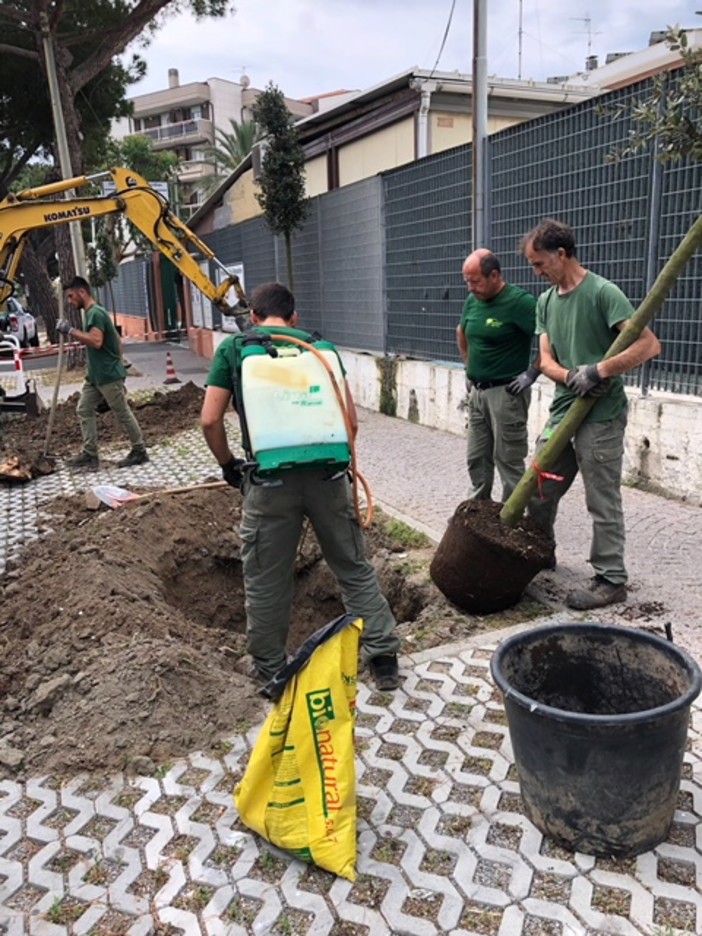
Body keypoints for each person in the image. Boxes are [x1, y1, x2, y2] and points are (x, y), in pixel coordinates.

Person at [200, 282, 401, 692]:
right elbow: (351, 424)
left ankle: (272, 667)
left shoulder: (235, 349)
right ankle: (383, 658)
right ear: (294, 317)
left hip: (269, 482)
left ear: (254, 317)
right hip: (329, 479)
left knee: (266, 577)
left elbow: (209, 419)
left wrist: (228, 466)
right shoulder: (319, 349)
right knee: (352, 568)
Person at [522, 218, 661, 610]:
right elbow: (546, 360)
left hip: (602, 415)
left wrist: (599, 371)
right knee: (539, 487)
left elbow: (649, 346)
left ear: (561, 254)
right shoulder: (546, 301)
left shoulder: (604, 293)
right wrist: (570, 375)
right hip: (563, 410)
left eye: (539, 263)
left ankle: (611, 579)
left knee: (601, 498)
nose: (537, 272)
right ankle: (540, 551)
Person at [456, 249, 539, 501]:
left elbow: (551, 340)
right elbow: (462, 331)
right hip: (477, 393)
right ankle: (476, 514)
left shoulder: (520, 303)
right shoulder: (473, 300)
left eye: (476, 281)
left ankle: (510, 517)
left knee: (508, 458)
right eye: (467, 281)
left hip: (507, 393)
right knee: (477, 457)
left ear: (495, 275)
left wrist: (531, 374)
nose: (471, 288)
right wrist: (468, 367)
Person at [58, 276, 149, 470]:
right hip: (95, 376)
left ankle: (139, 450)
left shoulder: (96, 314)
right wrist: (118, 359)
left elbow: (96, 341)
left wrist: (70, 330)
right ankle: (90, 454)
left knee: (122, 412)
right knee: (83, 409)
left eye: (71, 296)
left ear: (83, 292)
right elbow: (116, 339)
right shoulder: (93, 313)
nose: (70, 301)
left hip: (108, 376)